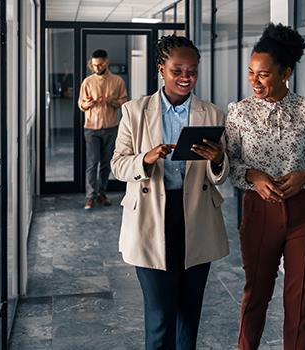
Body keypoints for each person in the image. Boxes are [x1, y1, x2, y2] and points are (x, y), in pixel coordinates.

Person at [225, 23, 305, 350]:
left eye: (263, 74)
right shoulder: (238, 113)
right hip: (259, 211)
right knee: (256, 294)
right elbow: (227, 165)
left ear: (286, 73)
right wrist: (254, 176)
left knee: (301, 301)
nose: (254, 81)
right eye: (251, 72)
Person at [110, 35, 230, 349]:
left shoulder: (213, 115)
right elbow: (118, 166)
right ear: (161, 69)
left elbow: (220, 176)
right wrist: (145, 159)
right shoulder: (134, 112)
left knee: (189, 317)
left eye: (192, 71)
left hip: (195, 217)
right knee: (160, 315)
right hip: (150, 220)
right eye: (178, 70)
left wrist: (218, 160)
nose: (186, 78)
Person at [78, 49, 128, 210]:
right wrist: (89, 104)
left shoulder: (117, 81)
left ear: (106, 62)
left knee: (106, 164)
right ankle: (89, 197)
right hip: (91, 128)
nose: (96, 68)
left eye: (99, 65)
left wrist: (110, 100)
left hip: (111, 128)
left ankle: (102, 193)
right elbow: (81, 105)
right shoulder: (87, 82)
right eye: (93, 65)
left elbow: (123, 102)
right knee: (92, 163)